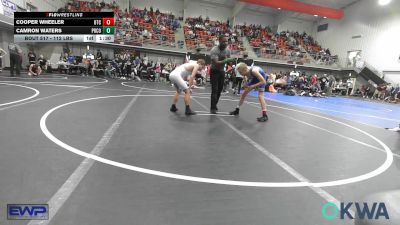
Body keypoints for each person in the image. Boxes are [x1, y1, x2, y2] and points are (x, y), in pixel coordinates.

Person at [209, 35, 235, 114]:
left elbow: (229, 62)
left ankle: (215, 104)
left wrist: (231, 62)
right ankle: (212, 107)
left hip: (221, 71)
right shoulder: (214, 50)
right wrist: (227, 60)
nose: (225, 43)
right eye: (224, 41)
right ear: (219, 41)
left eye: (226, 41)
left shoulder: (228, 50)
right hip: (214, 71)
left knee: (220, 90)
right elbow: (216, 63)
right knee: (215, 90)